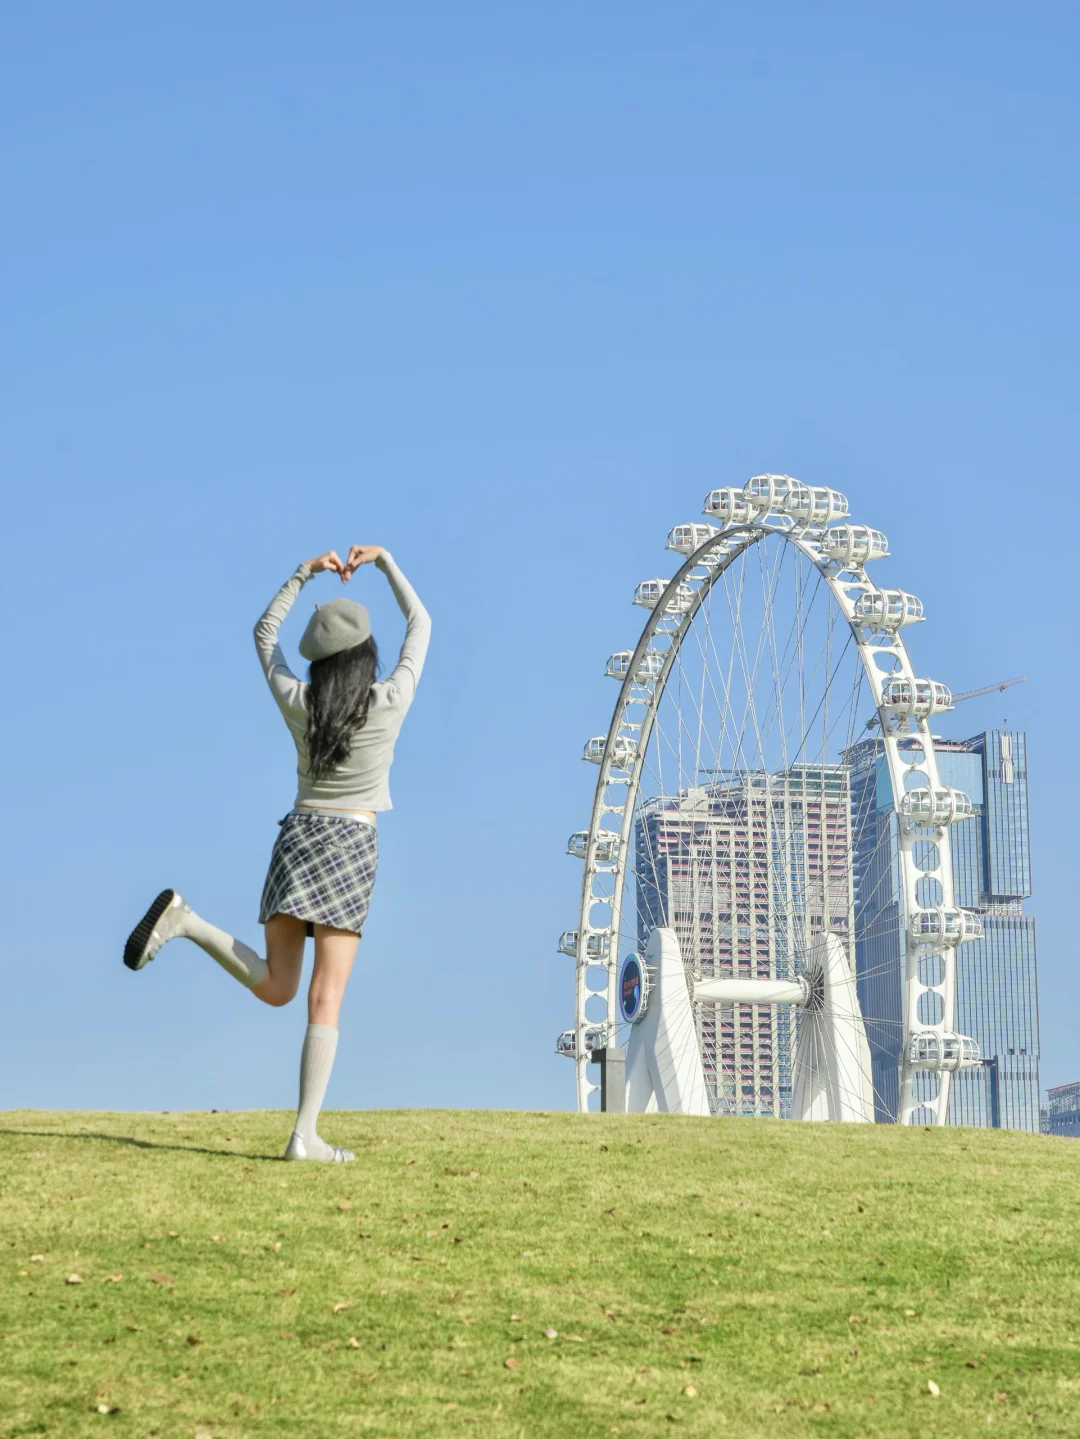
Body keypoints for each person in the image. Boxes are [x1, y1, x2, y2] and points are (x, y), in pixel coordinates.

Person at [122, 543, 431, 1162]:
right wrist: (387, 562)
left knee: (279, 986)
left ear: (320, 660)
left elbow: (264, 635)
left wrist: (304, 573)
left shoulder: (301, 702)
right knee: (324, 997)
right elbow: (421, 626)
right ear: (367, 654)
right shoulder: (389, 701)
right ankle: (304, 1136)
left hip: (297, 838)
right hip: (351, 844)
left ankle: (186, 920)